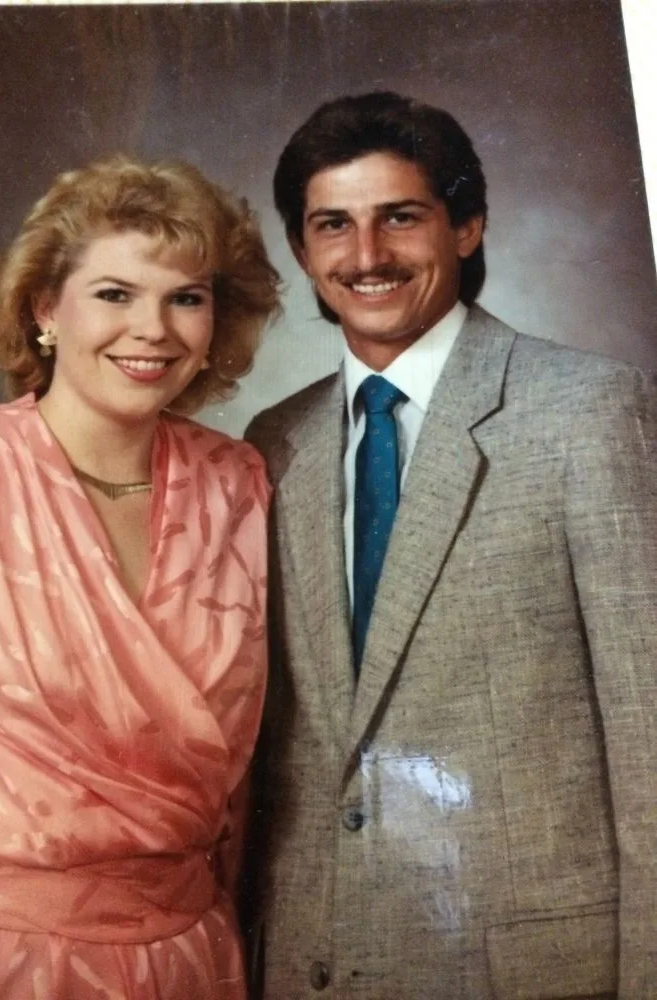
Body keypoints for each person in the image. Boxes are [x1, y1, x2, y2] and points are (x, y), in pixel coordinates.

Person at [245, 91, 657, 999]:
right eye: (333, 226)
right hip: (307, 964)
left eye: (401, 217)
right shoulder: (273, 443)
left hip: (524, 972)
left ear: (467, 226)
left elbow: (650, 737)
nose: (367, 257)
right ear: (304, 250)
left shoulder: (585, 410)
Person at [0, 155, 279, 999]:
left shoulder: (236, 485)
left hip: (193, 960)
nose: (153, 329)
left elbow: (248, 779)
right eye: (115, 294)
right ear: (46, 307)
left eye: (186, 298)